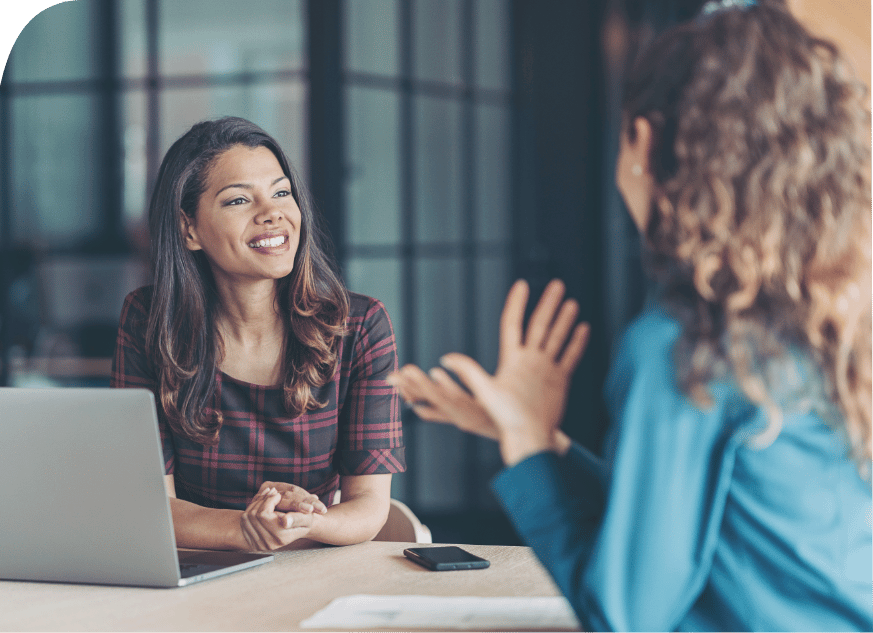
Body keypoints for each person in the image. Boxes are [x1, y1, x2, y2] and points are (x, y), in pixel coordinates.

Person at [388, 0, 872, 630]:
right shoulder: (832, 321)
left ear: (641, 140)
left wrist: (531, 446)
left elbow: (625, 616)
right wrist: (542, 442)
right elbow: (705, 522)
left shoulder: (687, 346)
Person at [112, 117, 405, 552]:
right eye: (238, 201)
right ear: (189, 229)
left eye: (282, 192)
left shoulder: (360, 326)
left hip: (312, 564)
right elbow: (152, 502)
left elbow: (368, 505)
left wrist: (301, 521)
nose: (272, 213)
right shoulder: (148, 322)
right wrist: (245, 528)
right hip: (200, 569)